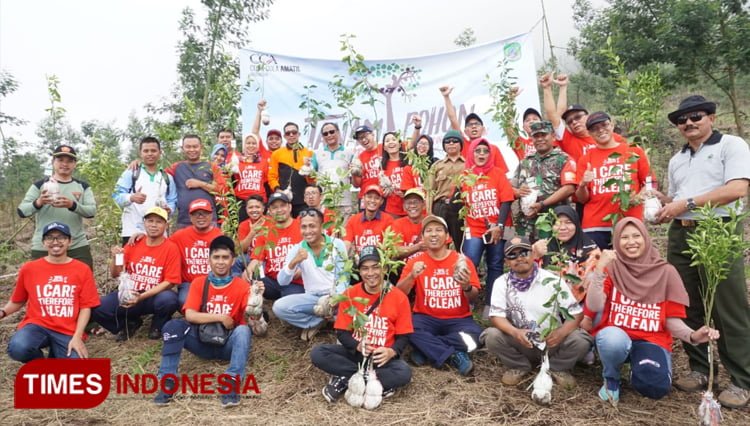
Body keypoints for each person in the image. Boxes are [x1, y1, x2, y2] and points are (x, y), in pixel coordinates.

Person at [654, 95, 750, 408]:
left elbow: (737, 189)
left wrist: (688, 203)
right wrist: (661, 200)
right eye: (682, 120)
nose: (689, 123)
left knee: (727, 306)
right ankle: (699, 368)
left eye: (696, 116)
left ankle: (741, 379)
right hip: (681, 234)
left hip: (718, 229)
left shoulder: (731, 145)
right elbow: (678, 198)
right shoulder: (677, 158)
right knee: (687, 303)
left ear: (711, 117)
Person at [585, 218, 720, 404]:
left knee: (655, 387)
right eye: (624, 237)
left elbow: (671, 319)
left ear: (646, 238)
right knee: (612, 339)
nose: (631, 242)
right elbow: (594, 305)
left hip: (651, 340)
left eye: (636, 236)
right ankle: (612, 377)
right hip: (618, 336)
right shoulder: (612, 268)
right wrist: (600, 269)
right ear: (616, 241)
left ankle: (637, 367)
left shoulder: (665, 272)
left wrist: (693, 336)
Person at [152, 235, 253, 408]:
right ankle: (168, 380)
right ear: (209, 260)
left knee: (243, 331)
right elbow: (190, 315)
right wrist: (220, 317)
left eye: (225, 257)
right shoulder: (199, 283)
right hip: (202, 341)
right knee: (173, 325)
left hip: (228, 344)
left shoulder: (242, 286)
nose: (220, 262)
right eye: (216, 257)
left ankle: (231, 382)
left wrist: (256, 299)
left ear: (232, 260)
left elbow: (251, 318)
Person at [480, 236, 591, 388]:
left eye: (524, 253)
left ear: (533, 255)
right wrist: (515, 332)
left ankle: (556, 367)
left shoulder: (552, 280)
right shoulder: (501, 283)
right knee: (491, 336)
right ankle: (519, 365)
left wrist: (561, 333)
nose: (519, 258)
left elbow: (576, 314)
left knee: (581, 339)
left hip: (552, 342)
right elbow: (496, 316)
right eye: (512, 255)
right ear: (506, 262)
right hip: (522, 342)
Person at [311, 245, 413, 403]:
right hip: (355, 355)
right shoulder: (351, 294)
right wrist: (357, 345)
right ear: (359, 271)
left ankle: (347, 380)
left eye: (375, 267)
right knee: (318, 353)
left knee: (404, 372)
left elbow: (404, 336)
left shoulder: (399, 297)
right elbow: (341, 332)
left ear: (384, 268)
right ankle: (370, 381)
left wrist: (391, 352)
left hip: (381, 359)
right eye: (365, 268)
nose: (370, 273)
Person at [396, 215, 482, 376]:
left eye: (438, 230)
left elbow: (473, 296)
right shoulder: (416, 262)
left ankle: (427, 350)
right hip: (426, 318)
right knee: (407, 329)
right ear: (423, 238)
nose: (433, 234)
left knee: (477, 337)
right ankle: (453, 356)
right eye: (428, 231)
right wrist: (411, 276)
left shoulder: (461, 260)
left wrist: (466, 286)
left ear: (447, 236)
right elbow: (399, 294)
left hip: (459, 320)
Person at [2, 222, 100, 362]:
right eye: (50, 238)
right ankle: (41, 365)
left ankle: (56, 353)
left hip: (67, 330)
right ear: (43, 243)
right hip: (37, 326)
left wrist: (77, 337)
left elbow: (86, 307)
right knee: (18, 348)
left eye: (61, 237)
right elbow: (18, 300)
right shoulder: (29, 268)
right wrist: (3, 312)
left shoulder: (82, 269)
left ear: (69, 241)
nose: (55, 242)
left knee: (76, 366)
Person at [92, 207, 181, 341]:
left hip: (153, 295)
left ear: (166, 225)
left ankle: (158, 324)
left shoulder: (171, 248)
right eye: (150, 221)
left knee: (169, 299)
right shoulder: (134, 243)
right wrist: (116, 258)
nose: (154, 225)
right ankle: (128, 323)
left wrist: (141, 297)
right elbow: (116, 274)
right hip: (130, 293)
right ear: (144, 223)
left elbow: (170, 282)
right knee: (98, 307)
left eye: (159, 222)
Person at [575, 112, 651, 249]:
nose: (600, 130)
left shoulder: (633, 151)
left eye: (604, 125)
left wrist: (639, 197)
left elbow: (650, 182)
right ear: (589, 133)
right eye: (594, 128)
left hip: (629, 222)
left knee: (631, 267)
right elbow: (581, 199)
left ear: (612, 125)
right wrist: (582, 185)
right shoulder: (586, 159)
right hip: (595, 225)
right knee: (597, 267)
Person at [272, 207, 348, 341]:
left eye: (312, 226)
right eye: (304, 227)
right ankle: (317, 322)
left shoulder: (337, 244)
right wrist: (294, 262)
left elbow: (344, 277)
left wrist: (335, 299)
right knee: (279, 307)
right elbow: (282, 281)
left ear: (322, 226)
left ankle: (333, 317)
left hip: (336, 297)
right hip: (312, 298)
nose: (307, 231)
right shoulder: (297, 248)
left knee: (355, 307)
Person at [18, 145, 97, 269]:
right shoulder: (40, 185)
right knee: (42, 285)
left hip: (76, 246)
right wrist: (38, 202)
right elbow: (22, 211)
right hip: (44, 245)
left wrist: (72, 205)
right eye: (60, 160)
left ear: (75, 164)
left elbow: (91, 211)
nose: (65, 164)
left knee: (82, 284)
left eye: (69, 161)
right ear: (53, 162)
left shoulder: (83, 186)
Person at [460, 138, 514, 317]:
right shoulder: (465, 177)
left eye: (485, 151)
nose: (481, 154)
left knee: (496, 265)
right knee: (470, 263)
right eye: (478, 150)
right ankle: (467, 302)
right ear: (471, 153)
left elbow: (506, 201)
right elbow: (459, 203)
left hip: (497, 228)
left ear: (490, 155)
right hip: (474, 229)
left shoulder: (498, 173)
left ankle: (492, 306)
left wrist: (498, 225)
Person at [513, 120, 577, 240]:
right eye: (536, 136)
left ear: (552, 136)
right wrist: (517, 192)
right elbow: (510, 188)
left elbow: (569, 188)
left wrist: (542, 204)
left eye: (544, 135)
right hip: (526, 225)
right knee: (526, 257)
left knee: (552, 256)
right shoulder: (525, 162)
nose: (540, 139)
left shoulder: (563, 159)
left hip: (554, 222)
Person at [113, 137, 177, 246]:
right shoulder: (131, 173)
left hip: (159, 232)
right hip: (132, 230)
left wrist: (169, 209)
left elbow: (173, 199)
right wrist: (131, 197)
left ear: (160, 152)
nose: (150, 154)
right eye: (146, 151)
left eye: (153, 151)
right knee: (132, 262)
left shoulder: (166, 177)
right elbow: (116, 195)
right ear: (140, 153)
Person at [532, 205, 601, 303]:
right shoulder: (543, 246)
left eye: (568, 222)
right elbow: (527, 278)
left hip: (580, 306)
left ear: (576, 224)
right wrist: (534, 255)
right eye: (557, 223)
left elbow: (593, 286)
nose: (563, 227)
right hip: (545, 304)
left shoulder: (590, 250)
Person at [242, 192, 303, 301]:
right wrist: (249, 270)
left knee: (288, 303)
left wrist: (303, 269)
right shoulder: (265, 231)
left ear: (290, 207)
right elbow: (256, 259)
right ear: (269, 211)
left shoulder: (301, 227)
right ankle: (257, 315)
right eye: (275, 207)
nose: (279, 210)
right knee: (249, 278)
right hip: (272, 282)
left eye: (282, 206)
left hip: (294, 281)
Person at [440, 86, 508, 172]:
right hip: (468, 184)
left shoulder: (493, 149)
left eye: (477, 124)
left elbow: (501, 174)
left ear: (483, 129)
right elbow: (453, 119)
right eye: (470, 125)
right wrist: (446, 97)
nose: (473, 126)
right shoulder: (463, 145)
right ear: (465, 131)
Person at [169, 199, 223, 306]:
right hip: (189, 283)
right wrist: (142, 237)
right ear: (190, 217)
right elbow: (161, 245)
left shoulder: (220, 235)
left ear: (211, 215)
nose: (200, 217)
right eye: (196, 214)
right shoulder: (180, 236)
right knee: (184, 301)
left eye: (204, 213)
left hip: (214, 281)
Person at [168, 134, 223, 229]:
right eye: (188, 147)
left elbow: (221, 190)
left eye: (195, 146)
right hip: (184, 220)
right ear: (182, 148)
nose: (192, 150)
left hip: (209, 220)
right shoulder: (176, 167)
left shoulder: (211, 166)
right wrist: (139, 163)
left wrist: (200, 184)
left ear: (201, 147)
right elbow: (157, 175)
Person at [428, 130, 466, 251]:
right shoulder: (437, 166)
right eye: (447, 142)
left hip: (460, 208)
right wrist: (429, 213)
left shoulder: (468, 164)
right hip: (440, 206)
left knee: (461, 242)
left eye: (455, 141)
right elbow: (429, 191)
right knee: (439, 241)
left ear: (460, 144)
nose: (451, 143)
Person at [268, 122, 313, 217]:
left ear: (299, 134)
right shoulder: (277, 154)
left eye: (294, 132)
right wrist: (278, 190)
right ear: (284, 136)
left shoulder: (308, 153)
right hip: (284, 200)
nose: (291, 135)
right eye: (288, 133)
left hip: (303, 200)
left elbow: (312, 180)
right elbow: (272, 176)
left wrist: (309, 173)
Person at [311, 122, 355, 214]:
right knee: (325, 228)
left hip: (344, 202)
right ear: (322, 137)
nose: (329, 135)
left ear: (338, 132)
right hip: (325, 202)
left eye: (332, 132)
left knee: (343, 228)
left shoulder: (349, 153)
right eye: (325, 133)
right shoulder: (317, 154)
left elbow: (355, 176)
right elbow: (311, 175)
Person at [343, 185, 394, 254]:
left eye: (376, 198)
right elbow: (346, 244)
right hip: (360, 262)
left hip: (380, 262)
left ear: (381, 201)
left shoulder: (388, 220)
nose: (372, 200)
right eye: (369, 197)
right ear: (363, 198)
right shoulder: (353, 220)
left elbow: (390, 247)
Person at [234, 133, 270, 222]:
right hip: (241, 201)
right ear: (244, 145)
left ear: (257, 146)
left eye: (254, 143)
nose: (251, 145)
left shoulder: (264, 162)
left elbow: (266, 182)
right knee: (242, 229)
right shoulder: (237, 161)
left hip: (259, 200)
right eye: (248, 143)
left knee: (261, 230)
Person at [381, 131, 416, 218]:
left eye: (394, 139)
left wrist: (407, 192)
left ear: (400, 144)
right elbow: (381, 189)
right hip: (393, 210)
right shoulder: (382, 166)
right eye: (387, 141)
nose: (391, 142)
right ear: (384, 147)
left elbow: (414, 142)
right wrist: (385, 191)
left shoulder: (410, 161)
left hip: (412, 207)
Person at [391, 188, 427, 262]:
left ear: (423, 205)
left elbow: (442, 248)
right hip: (404, 267)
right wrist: (418, 247)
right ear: (404, 207)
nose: (412, 206)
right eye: (409, 203)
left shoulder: (431, 221)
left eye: (416, 202)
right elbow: (395, 252)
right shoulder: (398, 224)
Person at [351, 125, 382, 203]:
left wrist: (417, 127)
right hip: (366, 197)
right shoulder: (359, 158)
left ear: (372, 134)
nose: (363, 140)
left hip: (383, 195)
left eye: (365, 136)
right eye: (360, 138)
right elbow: (356, 185)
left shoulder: (384, 148)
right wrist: (354, 173)